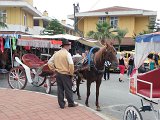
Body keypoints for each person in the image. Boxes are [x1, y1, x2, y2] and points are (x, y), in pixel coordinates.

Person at [47, 40, 78, 109]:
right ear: (66, 46)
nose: (70, 47)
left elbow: (49, 62)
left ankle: (61, 104)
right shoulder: (67, 54)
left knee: (60, 89)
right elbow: (71, 65)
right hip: (65, 74)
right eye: (69, 45)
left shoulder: (56, 53)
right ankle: (70, 103)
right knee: (68, 89)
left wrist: (54, 69)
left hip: (58, 73)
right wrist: (71, 73)